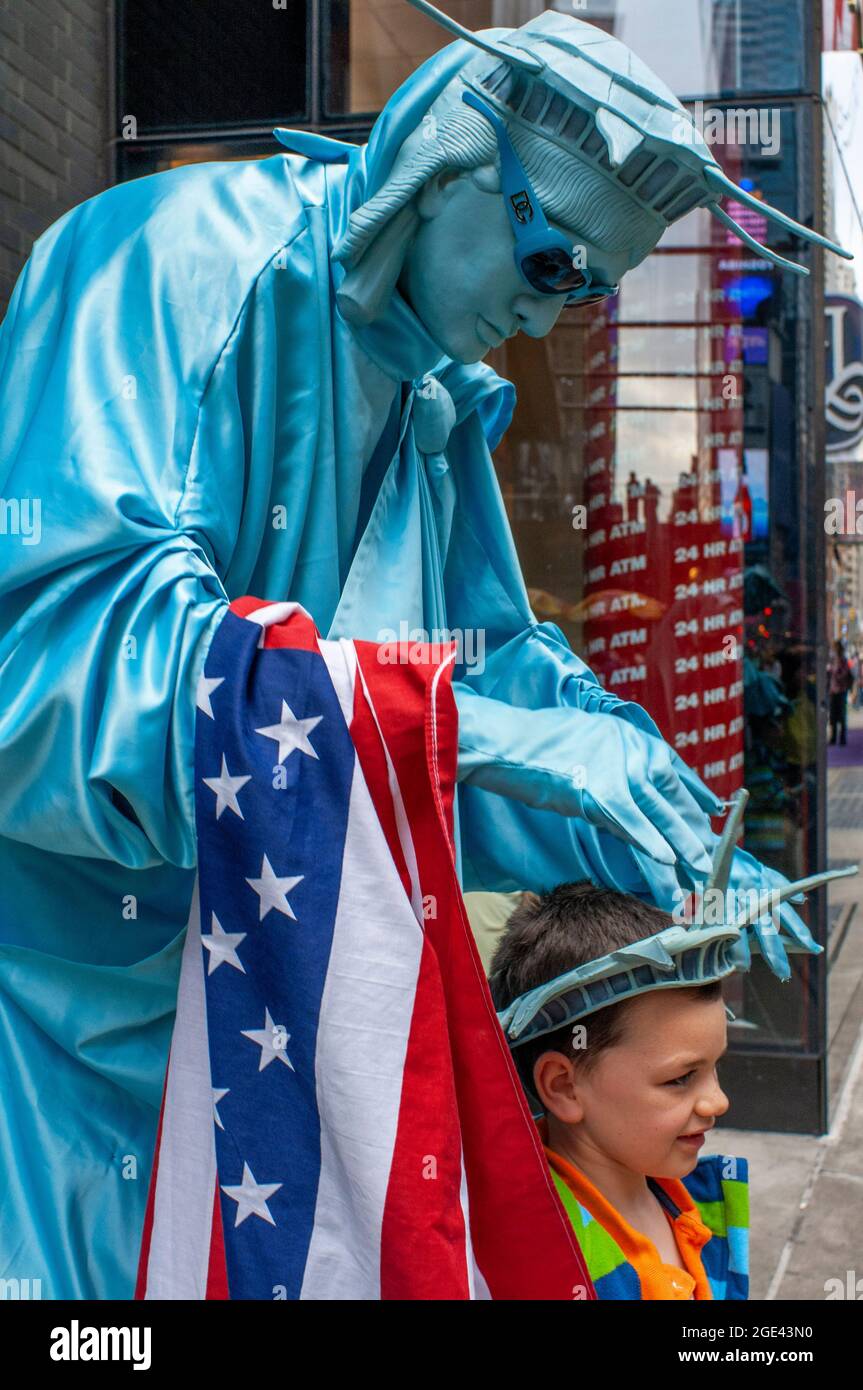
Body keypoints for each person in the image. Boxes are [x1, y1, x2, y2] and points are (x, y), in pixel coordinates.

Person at [0, 1, 850, 1297]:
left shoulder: (431, 397)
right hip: (79, 1021)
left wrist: (661, 835)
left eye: (591, 290)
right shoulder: (171, 260)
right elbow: (57, 661)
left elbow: (481, 672)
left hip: (253, 1007)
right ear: (448, 156)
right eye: (556, 262)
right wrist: (507, 736)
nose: (542, 314)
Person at [490, 882, 749, 1300]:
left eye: (714, 1067)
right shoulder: (544, 1266)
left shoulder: (699, 1199)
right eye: (680, 1078)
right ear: (564, 1086)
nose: (718, 1101)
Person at [828, 639, 853, 745]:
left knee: (842, 715)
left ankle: (842, 738)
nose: (834, 649)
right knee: (833, 715)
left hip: (841, 690)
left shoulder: (843, 660)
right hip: (833, 690)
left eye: (835, 647)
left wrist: (834, 672)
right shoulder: (833, 659)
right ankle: (833, 737)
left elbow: (844, 673)